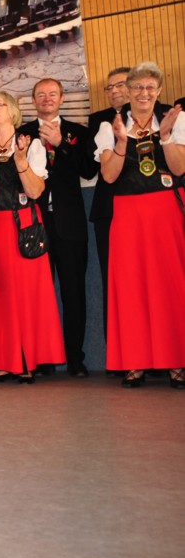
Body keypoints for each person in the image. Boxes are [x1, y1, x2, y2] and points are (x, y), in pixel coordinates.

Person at [94, 61, 185, 389]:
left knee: (170, 285)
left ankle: (176, 362)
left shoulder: (174, 120)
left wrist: (165, 137)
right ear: (127, 91)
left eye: (150, 88)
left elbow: (179, 168)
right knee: (130, 287)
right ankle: (134, 362)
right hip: (127, 213)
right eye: (137, 87)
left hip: (167, 210)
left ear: (158, 91)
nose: (144, 93)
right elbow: (108, 176)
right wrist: (121, 142)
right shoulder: (110, 126)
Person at [0, 90, 66, 383]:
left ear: (13, 111)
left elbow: (36, 191)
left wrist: (20, 160)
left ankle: (28, 358)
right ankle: (4, 359)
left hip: (21, 226)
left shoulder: (31, 144)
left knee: (25, 294)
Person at [18, 78, 96, 377]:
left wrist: (62, 143)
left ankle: (75, 358)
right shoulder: (22, 134)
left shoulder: (79, 132)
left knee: (73, 293)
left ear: (62, 99)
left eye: (53, 94)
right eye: (41, 95)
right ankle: (44, 358)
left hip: (70, 224)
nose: (47, 99)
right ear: (33, 100)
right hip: (34, 224)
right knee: (39, 294)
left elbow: (89, 170)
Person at [86, 67, 130, 339]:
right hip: (108, 209)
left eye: (120, 85)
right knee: (113, 279)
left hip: (149, 205)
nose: (114, 91)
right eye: (109, 87)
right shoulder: (99, 121)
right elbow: (89, 169)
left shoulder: (159, 115)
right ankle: (119, 348)